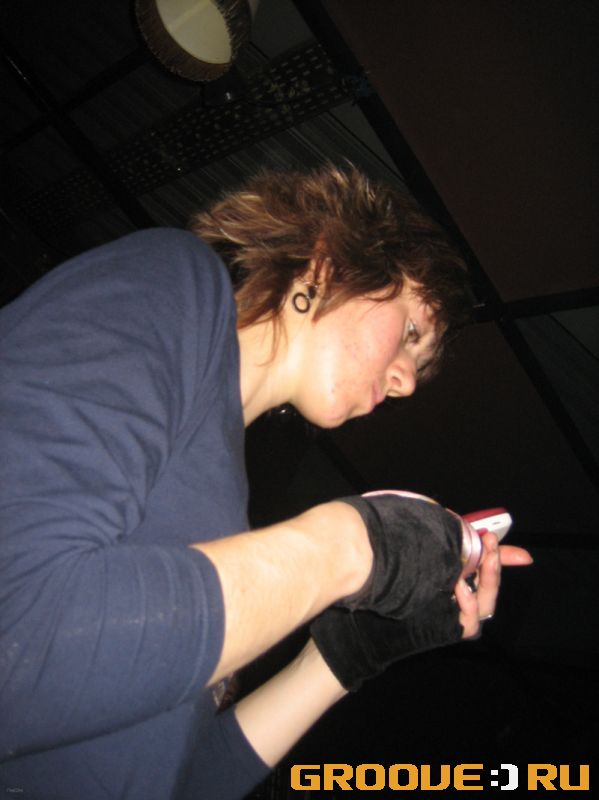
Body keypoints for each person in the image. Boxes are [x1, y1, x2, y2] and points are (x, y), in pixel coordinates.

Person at [0, 164, 532, 799]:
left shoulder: (228, 505)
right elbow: (16, 641)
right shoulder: (173, 282)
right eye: (411, 332)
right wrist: (351, 548)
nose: (407, 382)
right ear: (331, 260)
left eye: (417, 364)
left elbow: (171, 779)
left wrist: (341, 660)